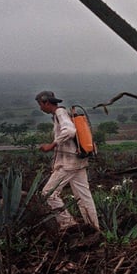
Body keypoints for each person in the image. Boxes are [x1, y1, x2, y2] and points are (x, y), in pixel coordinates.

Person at [35, 91, 100, 233]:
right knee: (83, 196)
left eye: (40, 104)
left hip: (69, 163)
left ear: (46, 102)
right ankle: (94, 228)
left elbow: (70, 131)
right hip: (78, 162)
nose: (40, 108)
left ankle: (68, 224)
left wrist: (52, 145)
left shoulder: (60, 113)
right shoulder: (62, 113)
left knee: (48, 193)